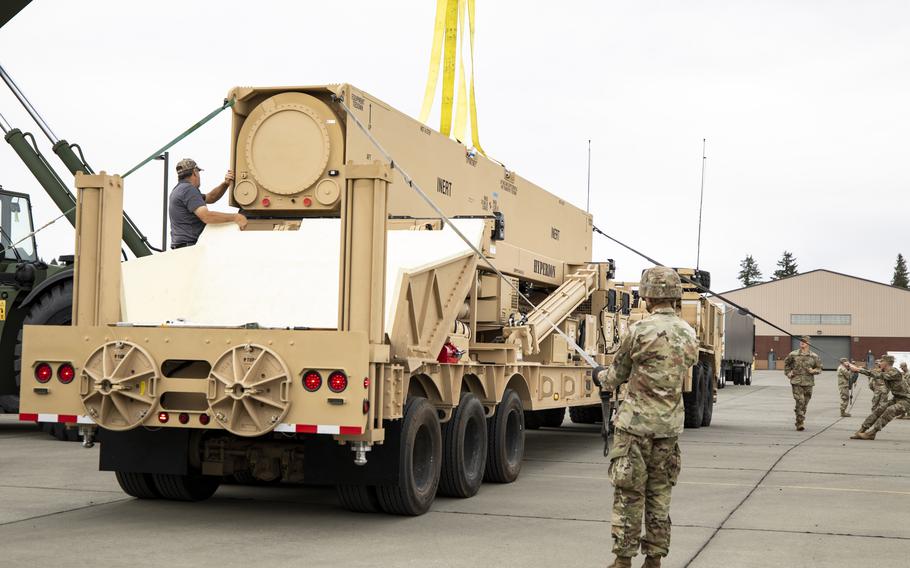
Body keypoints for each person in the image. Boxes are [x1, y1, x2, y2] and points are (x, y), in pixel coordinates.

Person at [593, 267, 698, 568]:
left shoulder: (638, 331)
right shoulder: (688, 333)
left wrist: (600, 376)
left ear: (648, 296)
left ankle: (622, 560)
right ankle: (654, 558)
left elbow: (617, 375)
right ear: (675, 296)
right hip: (668, 429)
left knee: (628, 493)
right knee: (660, 493)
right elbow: (683, 363)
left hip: (635, 429)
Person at [169, 158, 247, 248]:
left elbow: (211, 197)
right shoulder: (188, 190)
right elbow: (206, 216)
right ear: (195, 172)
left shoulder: (179, 190)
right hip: (189, 247)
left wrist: (225, 184)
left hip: (181, 247)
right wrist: (236, 217)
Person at [848, 355, 910, 440]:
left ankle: (872, 433)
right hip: (897, 398)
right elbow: (873, 371)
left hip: (906, 400)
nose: (880, 363)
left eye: (881, 361)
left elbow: (878, 375)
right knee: (879, 410)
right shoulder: (884, 370)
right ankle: (861, 430)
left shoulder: (894, 372)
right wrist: (852, 367)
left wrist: (858, 370)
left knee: (889, 411)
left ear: (886, 363)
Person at [783, 336, 822, 431]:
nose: (802, 343)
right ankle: (800, 422)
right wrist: (788, 373)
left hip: (808, 383)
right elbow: (786, 364)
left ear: (808, 343)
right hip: (796, 381)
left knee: (804, 403)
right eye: (801, 341)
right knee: (800, 400)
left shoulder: (814, 356)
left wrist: (813, 371)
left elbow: (819, 368)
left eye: (805, 341)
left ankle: (799, 419)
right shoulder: (793, 354)